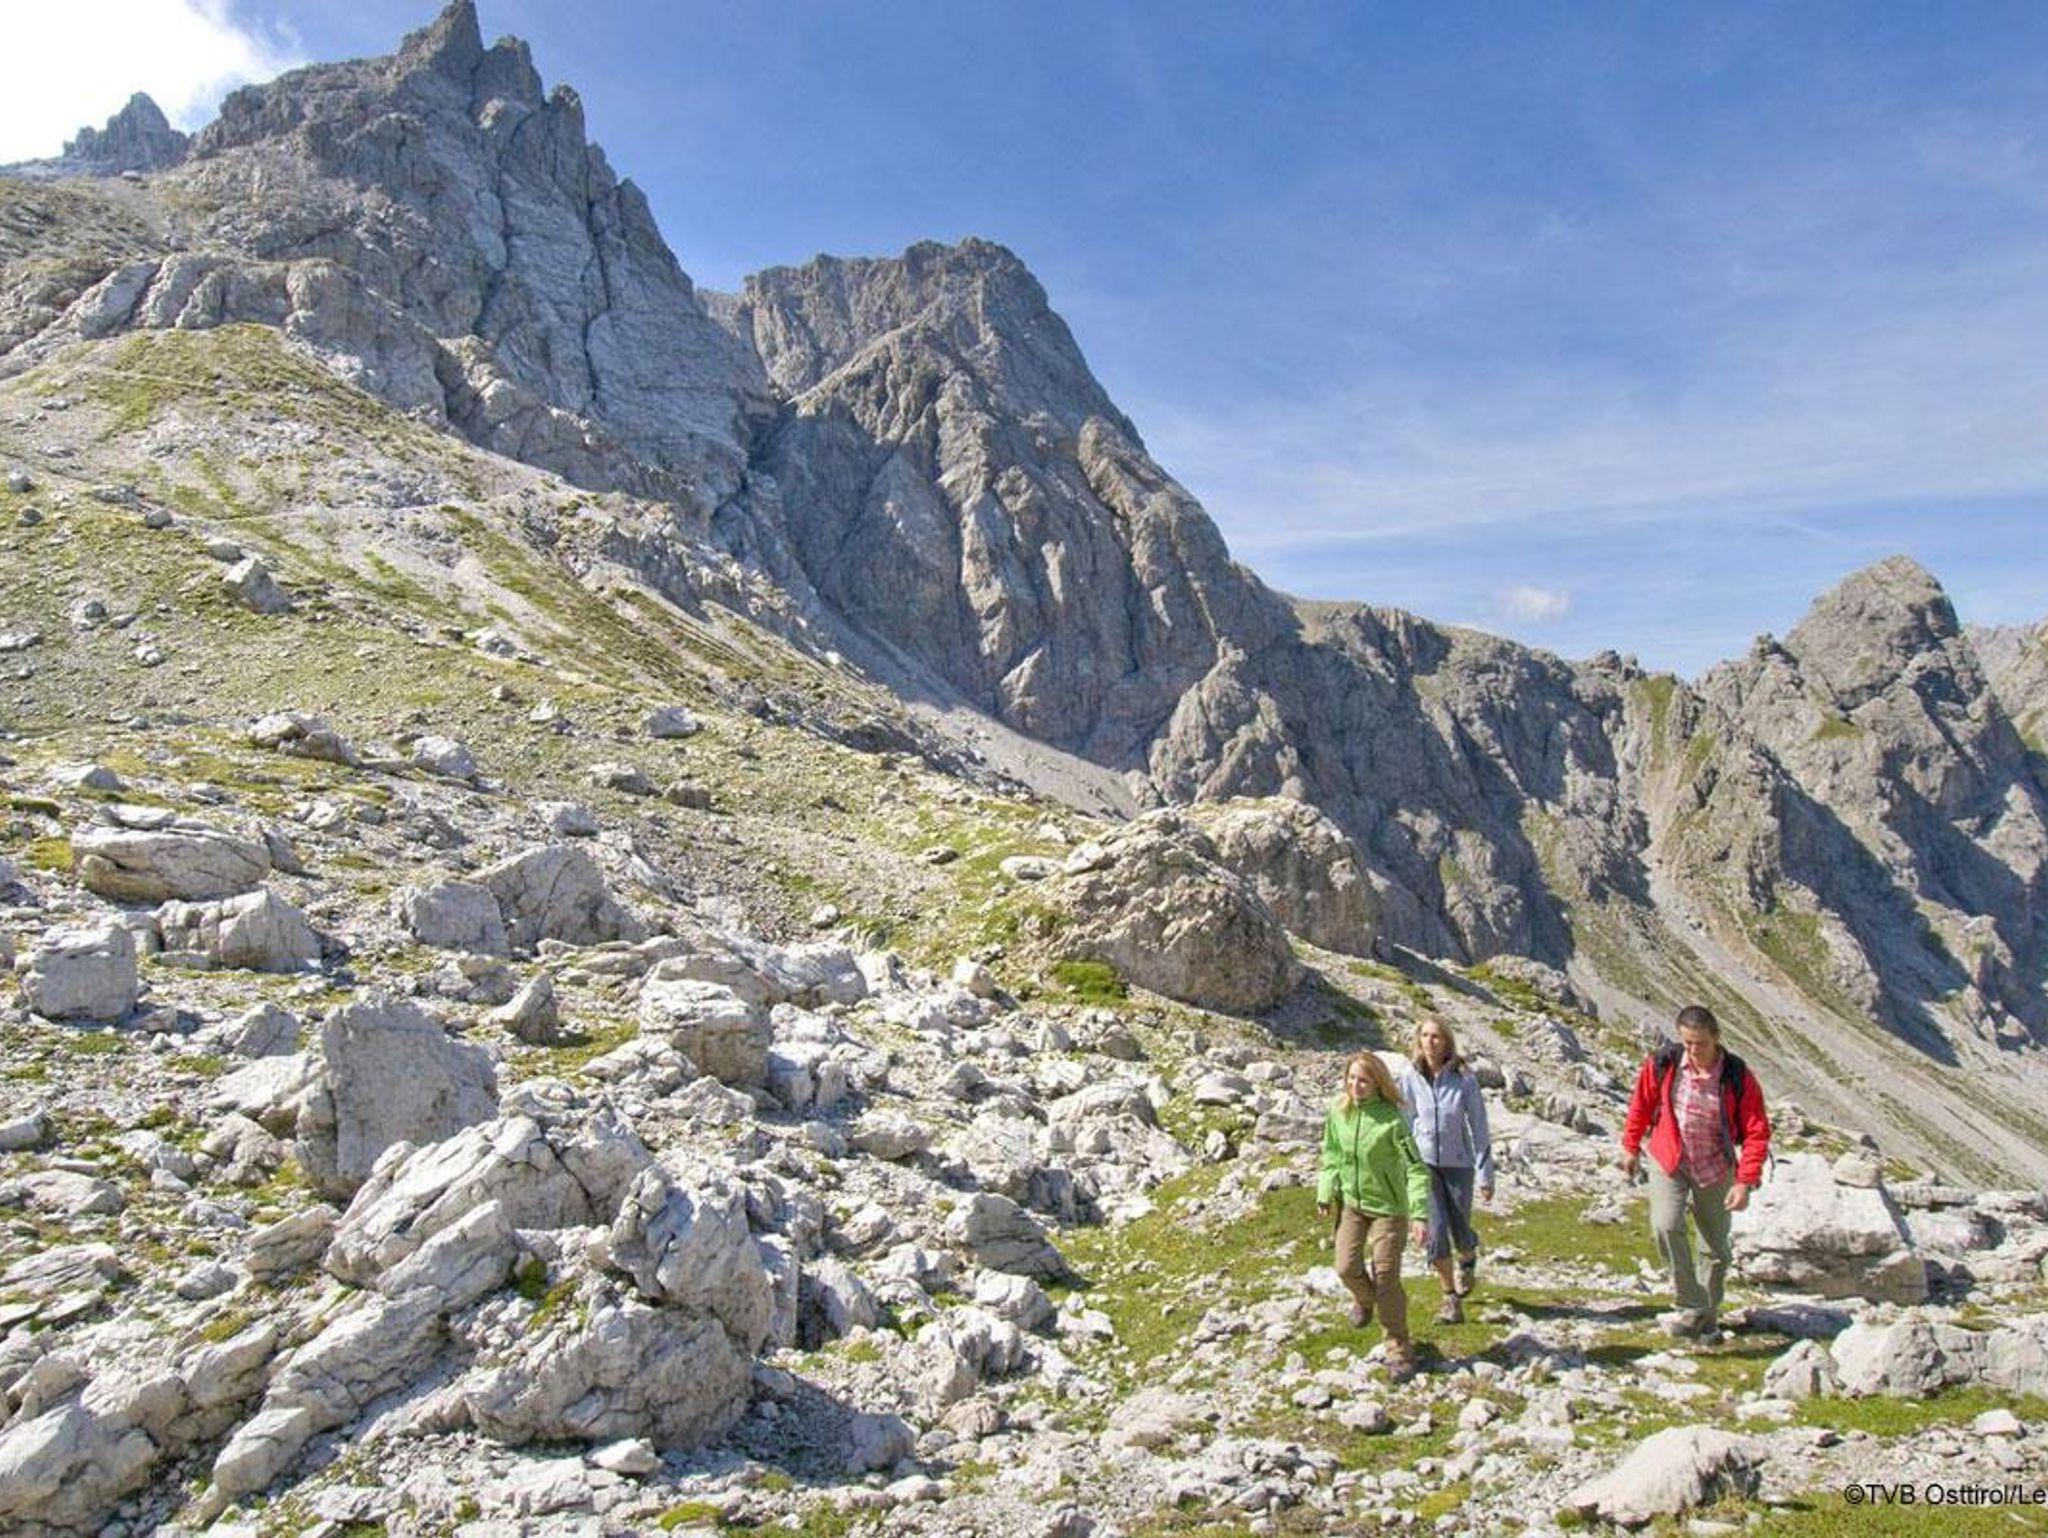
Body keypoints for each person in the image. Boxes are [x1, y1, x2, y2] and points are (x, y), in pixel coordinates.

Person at [1620, 1005, 1771, 1343]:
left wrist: (1745, 1181)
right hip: (1670, 1159)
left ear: (1716, 1038)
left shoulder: (1736, 1076)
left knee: (1715, 1249)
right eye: (1687, 1042)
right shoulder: (1665, 1063)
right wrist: (1630, 1146)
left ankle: (1707, 1322)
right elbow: (1641, 1105)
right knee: (1665, 1225)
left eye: (1699, 1043)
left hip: (1716, 1166)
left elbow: (1757, 1130)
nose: (1692, 1049)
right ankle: (1692, 1303)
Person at [1318, 1051, 1432, 1380]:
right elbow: (1331, 1153)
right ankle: (1365, 1300)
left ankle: (1399, 1349)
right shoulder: (1338, 1111)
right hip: (1352, 1204)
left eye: (1364, 1081)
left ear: (1378, 1084)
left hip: (1389, 1209)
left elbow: (1416, 1169)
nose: (1355, 1086)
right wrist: (1325, 1190)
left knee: (1385, 1277)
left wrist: (1419, 1215)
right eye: (1351, 1079)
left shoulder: (1392, 1120)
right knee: (1345, 1267)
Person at [1398, 1017, 1494, 1325]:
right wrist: (1405, 1165)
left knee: (1460, 1229)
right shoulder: (1410, 1076)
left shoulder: (1464, 1078)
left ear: (1447, 1041)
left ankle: (1468, 1255)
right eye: (1425, 1035)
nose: (1430, 1042)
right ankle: (1450, 1299)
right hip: (1424, 1165)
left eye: (1436, 1036)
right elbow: (1403, 1123)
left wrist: (1486, 1174)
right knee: (1436, 1232)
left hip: (1459, 1164)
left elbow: (1479, 1126)